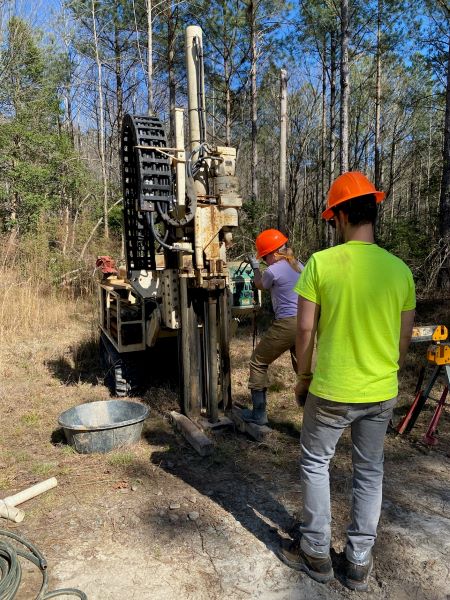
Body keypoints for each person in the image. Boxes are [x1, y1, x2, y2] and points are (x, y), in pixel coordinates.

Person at [280, 172, 416, 592]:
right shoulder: (400, 271)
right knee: (369, 472)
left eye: (331, 216)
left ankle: (316, 551)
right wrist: (382, 374)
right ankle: (357, 560)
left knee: (317, 463)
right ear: (373, 210)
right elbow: (402, 341)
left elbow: (304, 332)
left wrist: (303, 378)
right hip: (380, 391)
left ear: (338, 215)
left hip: (331, 390)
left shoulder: (321, 263)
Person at [242, 229, 303, 425]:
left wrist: (254, 267)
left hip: (287, 323)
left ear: (272, 253)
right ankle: (315, 416)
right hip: (306, 323)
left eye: (264, 257)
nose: (264, 261)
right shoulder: (300, 266)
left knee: (258, 361)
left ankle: (259, 414)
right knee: (304, 369)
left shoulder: (273, 270)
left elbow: (260, 284)